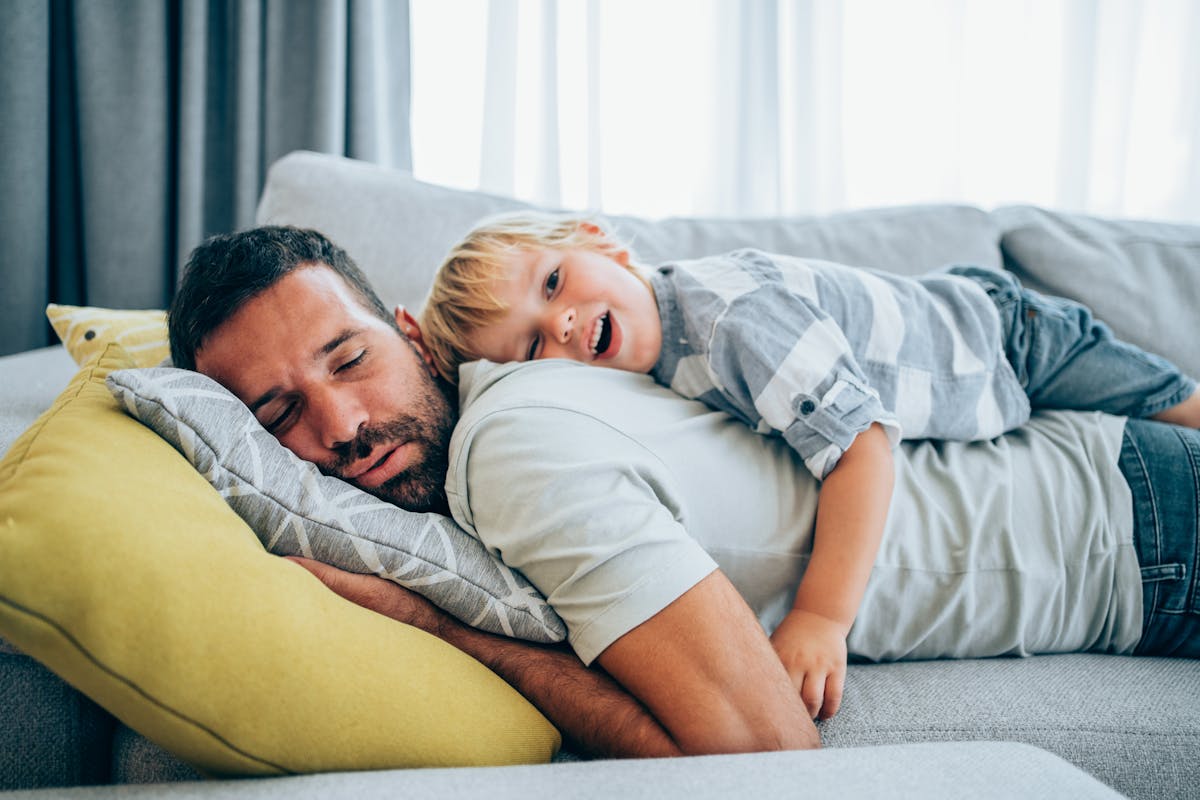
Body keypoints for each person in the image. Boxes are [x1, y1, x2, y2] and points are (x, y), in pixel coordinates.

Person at [168, 225, 1200, 759]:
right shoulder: (531, 399)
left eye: (349, 358)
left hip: (1140, 526)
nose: (340, 428)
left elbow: (760, 754)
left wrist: (439, 624)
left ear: (412, 333)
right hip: (1122, 507)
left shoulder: (513, 451)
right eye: (275, 417)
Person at [416, 211, 1200, 718]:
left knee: (1175, 401)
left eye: (554, 283)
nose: (563, 322)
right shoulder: (644, 374)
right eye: (529, 347)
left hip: (1009, 338)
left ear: (603, 242)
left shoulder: (731, 323)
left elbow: (863, 449)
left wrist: (821, 619)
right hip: (977, 359)